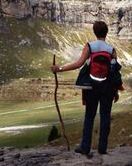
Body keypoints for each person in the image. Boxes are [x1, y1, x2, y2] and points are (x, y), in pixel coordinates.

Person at [51, 21, 122, 155]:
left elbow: (78, 64)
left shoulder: (90, 46)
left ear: (95, 32)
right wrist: (116, 90)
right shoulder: (112, 50)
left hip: (92, 87)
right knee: (105, 117)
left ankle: (85, 147)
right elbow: (114, 72)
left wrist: (59, 69)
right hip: (107, 88)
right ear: (106, 33)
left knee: (89, 116)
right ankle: (102, 148)